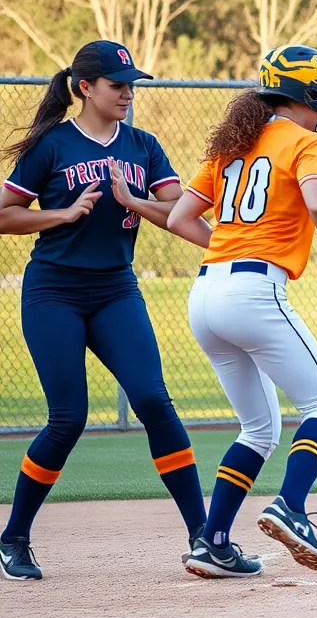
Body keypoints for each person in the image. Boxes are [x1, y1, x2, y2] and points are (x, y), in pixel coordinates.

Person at [0, 40, 210, 581]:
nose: (128, 94)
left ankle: (204, 537)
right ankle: (14, 538)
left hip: (116, 288)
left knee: (153, 400)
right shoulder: (52, 145)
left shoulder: (143, 145)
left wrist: (136, 202)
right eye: (117, 85)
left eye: (131, 85)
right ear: (85, 88)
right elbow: (4, 214)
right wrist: (63, 214)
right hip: (54, 292)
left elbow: (180, 210)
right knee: (68, 417)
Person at [166, 45, 317, 579]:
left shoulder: (233, 144)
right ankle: (291, 506)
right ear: (309, 94)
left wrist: (230, 248)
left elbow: (181, 218)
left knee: (258, 428)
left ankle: (213, 544)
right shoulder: (306, 141)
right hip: (254, 291)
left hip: (205, 295)